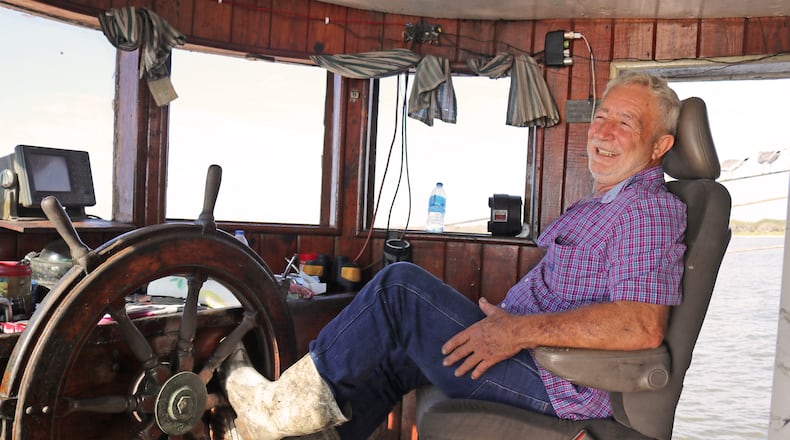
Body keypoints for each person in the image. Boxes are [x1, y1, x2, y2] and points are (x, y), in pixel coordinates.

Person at [220, 71, 687, 440]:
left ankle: (276, 411)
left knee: (398, 288)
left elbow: (640, 325)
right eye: (601, 116)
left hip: (560, 382)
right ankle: (304, 434)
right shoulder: (604, 205)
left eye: (624, 123)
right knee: (399, 349)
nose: (602, 132)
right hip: (536, 357)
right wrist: (508, 327)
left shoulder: (648, 210)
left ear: (659, 146)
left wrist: (516, 332)